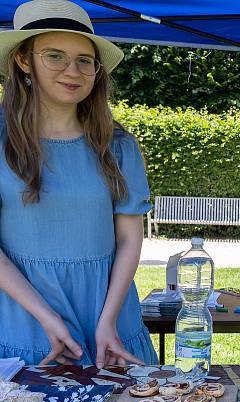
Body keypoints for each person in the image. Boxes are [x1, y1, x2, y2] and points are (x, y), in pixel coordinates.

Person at [0, 0, 157, 367]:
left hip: (111, 325)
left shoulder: (117, 145)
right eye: (54, 56)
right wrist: (46, 318)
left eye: (84, 60)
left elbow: (130, 238)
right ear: (24, 61)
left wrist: (107, 321)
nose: (73, 70)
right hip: (27, 326)